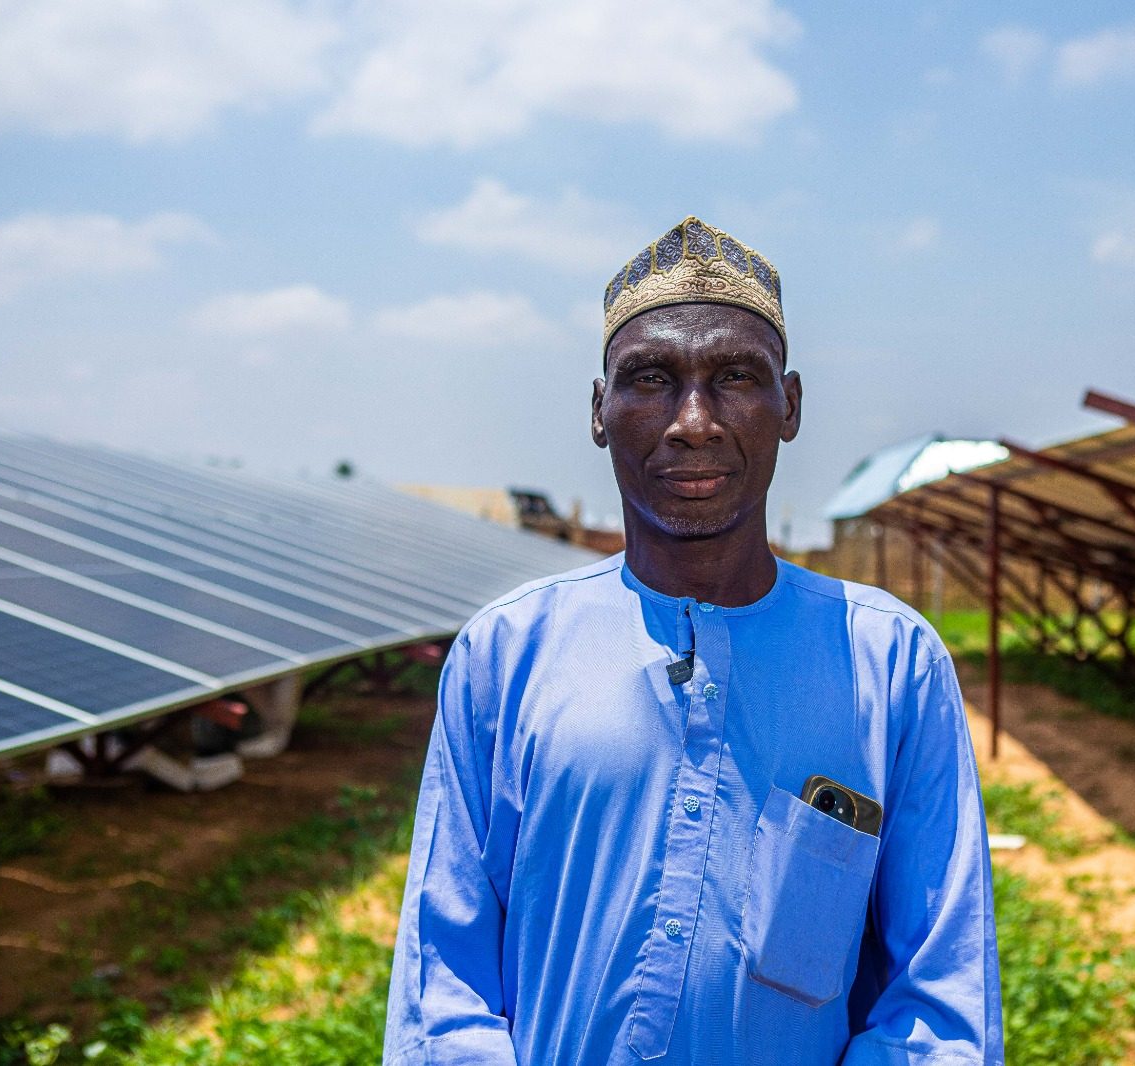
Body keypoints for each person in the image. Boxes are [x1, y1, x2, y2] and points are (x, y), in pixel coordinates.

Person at [383, 217, 1003, 1065]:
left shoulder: (893, 665)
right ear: (599, 411)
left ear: (790, 405)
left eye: (736, 377)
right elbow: (441, 983)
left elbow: (939, 1000)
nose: (694, 422)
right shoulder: (506, 653)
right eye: (650, 378)